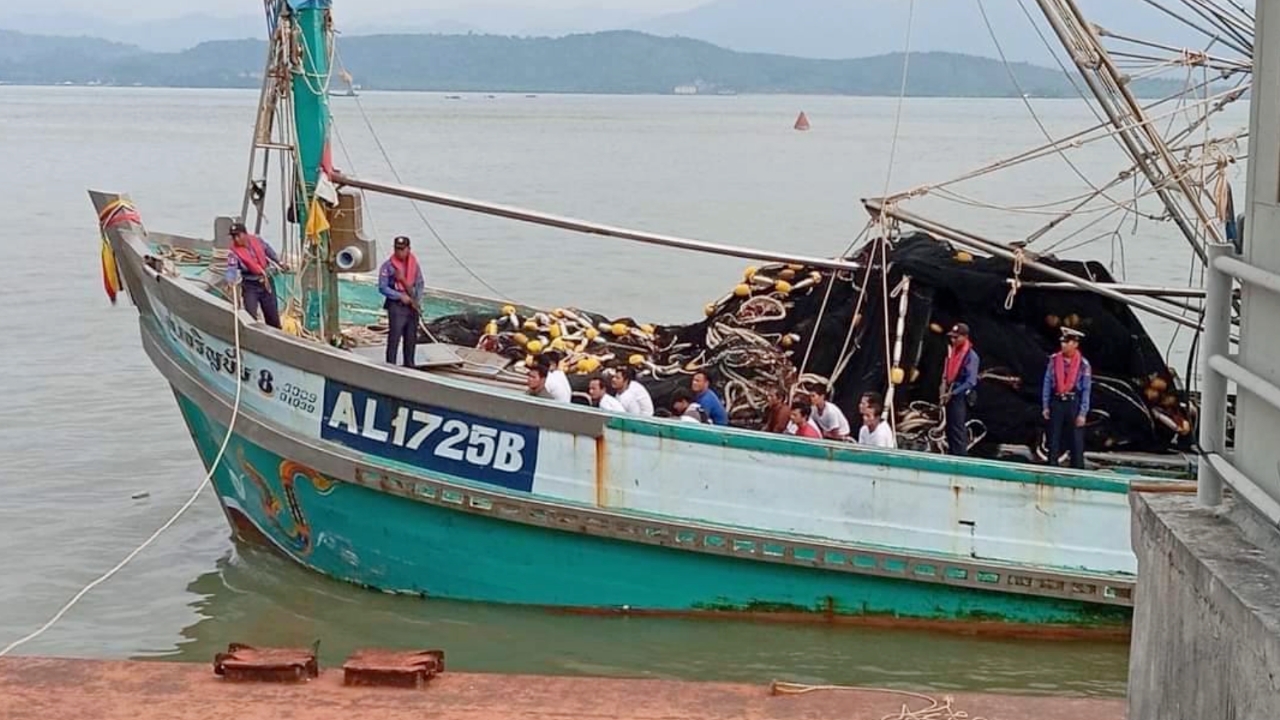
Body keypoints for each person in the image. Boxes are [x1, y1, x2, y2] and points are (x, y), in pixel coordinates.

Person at [1042, 327, 1092, 469]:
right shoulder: (1053, 360)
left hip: (1073, 401)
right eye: (1063, 342)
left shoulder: (1083, 364)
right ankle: (1052, 466)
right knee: (1053, 437)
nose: (1063, 345)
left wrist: (1083, 413)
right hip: (1057, 401)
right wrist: (1045, 405)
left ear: (1075, 344)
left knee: (1076, 439)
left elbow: (1086, 389)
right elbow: (1047, 383)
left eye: (1067, 342)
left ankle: (1077, 468)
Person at [224, 221, 285, 329]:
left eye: (238, 235)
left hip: (266, 283)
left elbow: (268, 250)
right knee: (250, 317)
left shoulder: (257, 240)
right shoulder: (233, 253)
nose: (236, 239)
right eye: (233, 237)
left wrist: (279, 262)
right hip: (250, 285)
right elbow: (231, 268)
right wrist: (230, 280)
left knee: (273, 318)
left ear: (245, 234)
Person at [378, 236, 425, 368]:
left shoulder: (414, 264)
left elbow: (420, 283)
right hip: (397, 306)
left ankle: (409, 365)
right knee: (394, 337)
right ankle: (390, 366)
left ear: (408, 249)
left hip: (412, 306)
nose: (399, 252)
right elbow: (383, 287)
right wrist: (399, 296)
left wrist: (418, 298)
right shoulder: (388, 266)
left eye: (402, 249)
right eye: (397, 249)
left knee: (411, 339)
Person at [941, 323, 980, 456]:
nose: (953, 340)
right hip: (950, 392)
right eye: (952, 337)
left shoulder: (971, 356)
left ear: (965, 337)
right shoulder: (954, 352)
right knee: (950, 427)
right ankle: (952, 453)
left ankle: (960, 456)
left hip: (960, 395)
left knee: (958, 428)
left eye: (956, 338)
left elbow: (970, 381)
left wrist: (953, 393)